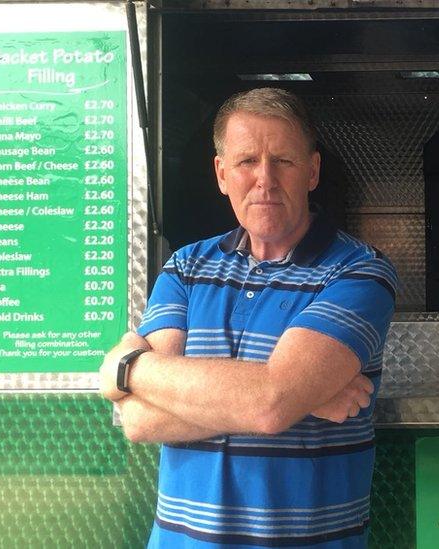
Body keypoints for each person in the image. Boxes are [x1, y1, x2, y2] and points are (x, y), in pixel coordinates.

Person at [99, 87, 397, 548]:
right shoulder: (186, 267)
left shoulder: (358, 270)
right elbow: (139, 420)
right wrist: (292, 395)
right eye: (246, 162)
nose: (265, 180)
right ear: (222, 173)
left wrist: (128, 368)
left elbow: (270, 404)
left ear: (312, 171)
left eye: (284, 161)